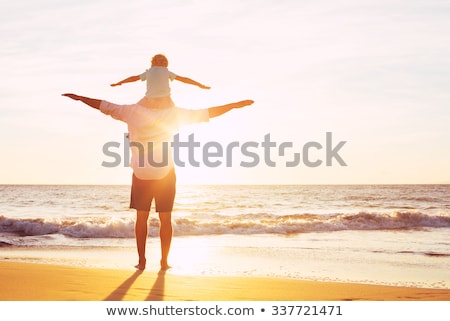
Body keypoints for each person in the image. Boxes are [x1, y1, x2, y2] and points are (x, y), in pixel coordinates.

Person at [62, 93, 254, 270]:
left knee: (147, 218)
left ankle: (145, 261)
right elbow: (207, 113)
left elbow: (103, 105)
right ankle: (158, 261)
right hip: (162, 174)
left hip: (145, 175)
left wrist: (79, 98)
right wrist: (234, 105)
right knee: (161, 218)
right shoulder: (172, 114)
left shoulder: (131, 111)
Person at [110, 54, 210, 109]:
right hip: (165, 99)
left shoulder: (149, 72)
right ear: (165, 64)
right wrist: (199, 85)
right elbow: (184, 79)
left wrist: (120, 82)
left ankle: (131, 132)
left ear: (152, 63)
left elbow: (133, 78)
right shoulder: (166, 71)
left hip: (150, 99)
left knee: (135, 111)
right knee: (174, 114)